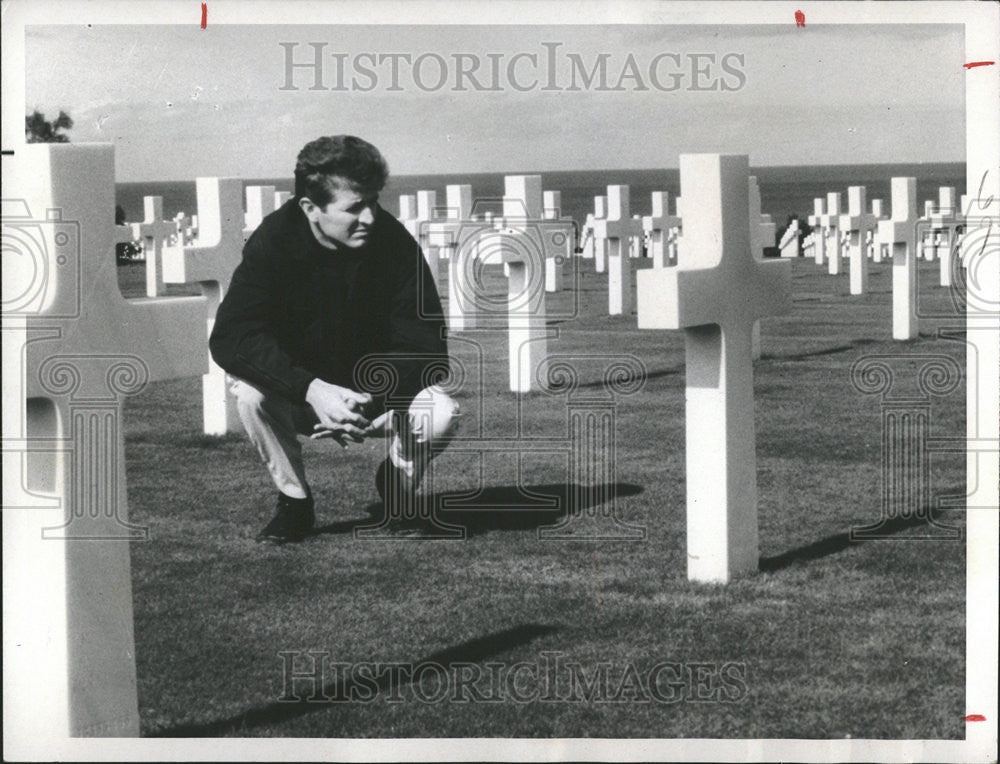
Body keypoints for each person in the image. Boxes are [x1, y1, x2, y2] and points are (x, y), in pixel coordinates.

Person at [209, 135, 459, 542]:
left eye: (374, 201)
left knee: (442, 413)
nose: (371, 218)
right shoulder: (273, 243)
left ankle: (398, 486)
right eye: (355, 208)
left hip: (373, 396)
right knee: (250, 396)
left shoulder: (395, 245)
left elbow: (427, 349)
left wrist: (368, 399)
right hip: (300, 397)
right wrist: (311, 389)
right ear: (310, 208)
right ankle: (295, 502)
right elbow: (233, 337)